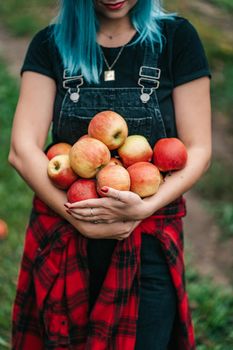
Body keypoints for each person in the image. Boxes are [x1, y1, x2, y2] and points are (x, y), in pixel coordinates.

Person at [9, 0, 211, 349]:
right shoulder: (50, 44)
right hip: (66, 230)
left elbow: (199, 149)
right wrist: (77, 215)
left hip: (147, 239)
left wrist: (145, 208)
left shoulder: (175, 39)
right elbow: (22, 149)